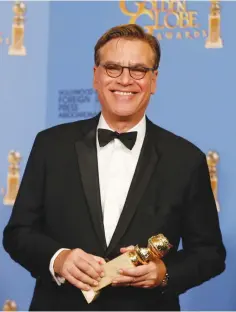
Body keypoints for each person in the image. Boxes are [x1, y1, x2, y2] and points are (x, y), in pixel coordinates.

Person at [3, 24, 226, 311]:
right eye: (112, 68)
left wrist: (163, 274)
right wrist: (58, 258)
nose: (125, 80)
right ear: (96, 76)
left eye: (138, 70)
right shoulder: (51, 145)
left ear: (154, 80)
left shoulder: (186, 159)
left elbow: (209, 253)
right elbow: (18, 233)